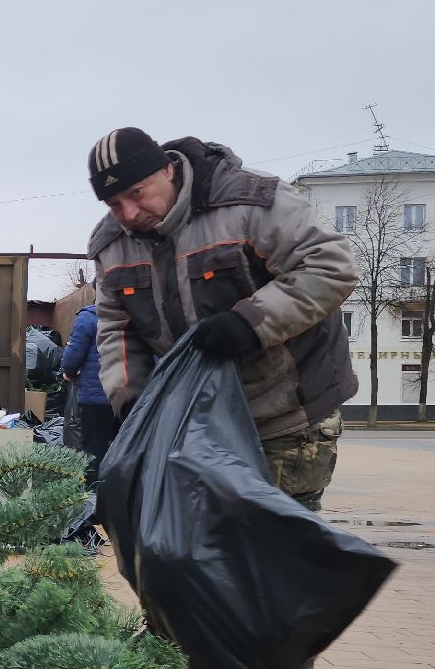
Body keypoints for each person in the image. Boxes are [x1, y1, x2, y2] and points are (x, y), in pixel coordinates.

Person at [89, 127, 357, 511]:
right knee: (197, 538)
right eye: (114, 204)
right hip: (197, 423)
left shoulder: (252, 202)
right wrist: (133, 403)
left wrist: (250, 323)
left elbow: (331, 267)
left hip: (285, 413)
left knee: (274, 539)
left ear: (167, 170)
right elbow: (117, 331)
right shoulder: (111, 245)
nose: (128, 214)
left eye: (136, 193)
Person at [58, 290, 117, 492]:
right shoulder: (138, 315)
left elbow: (73, 355)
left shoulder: (90, 317)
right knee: (127, 446)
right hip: (132, 397)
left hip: (97, 397)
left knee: (93, 448)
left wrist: (68, 373)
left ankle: (93, 496)